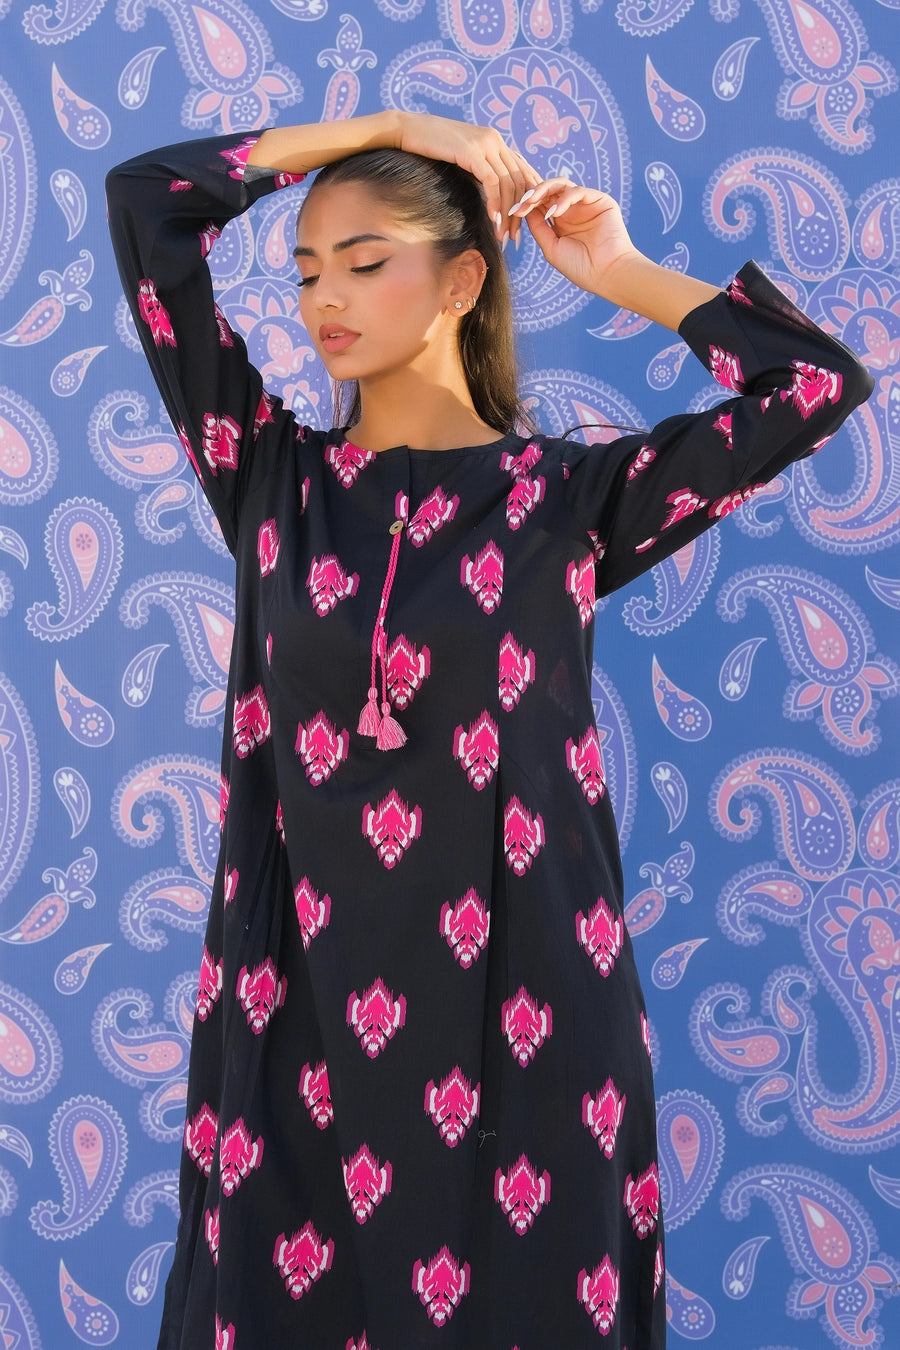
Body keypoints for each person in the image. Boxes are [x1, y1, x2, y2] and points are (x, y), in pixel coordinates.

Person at [106, 110, 873, 1350]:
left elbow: (816, 386)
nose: (323, 300)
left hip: (532, 1020)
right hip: (297, 1017)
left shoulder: (569, 503)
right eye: (306, 271)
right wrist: (387, 127)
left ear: (463, 281)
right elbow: (149, 201)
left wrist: (619, 270)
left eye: (365, 262)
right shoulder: (267, 478)